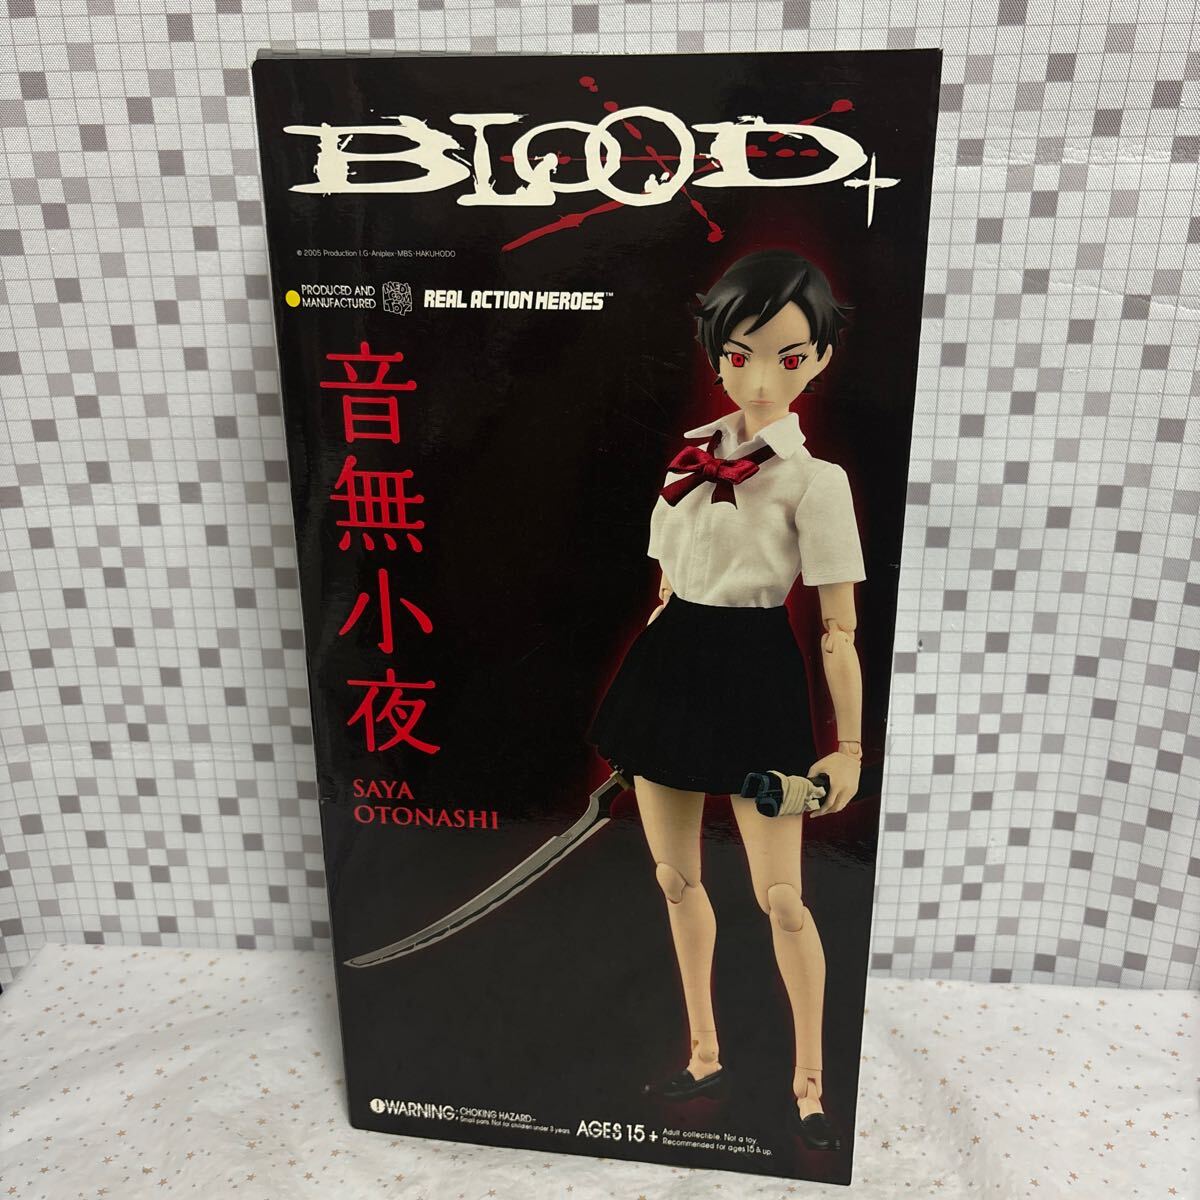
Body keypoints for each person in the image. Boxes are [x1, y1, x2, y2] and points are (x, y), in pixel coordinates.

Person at [587, 248, 866, 1151]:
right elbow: (668, 587)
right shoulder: (687, 463)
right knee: (675, 879)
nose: (760, 378)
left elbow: (837, 630)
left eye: (790, 356)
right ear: (716, 355)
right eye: (740, 354)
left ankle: (810, 1084)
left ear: (820, 359)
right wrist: (643, 702)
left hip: (756, 676)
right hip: (672, 667)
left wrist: (849, 751)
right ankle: (704, 1053)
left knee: (782, 895)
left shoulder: (816, 483)